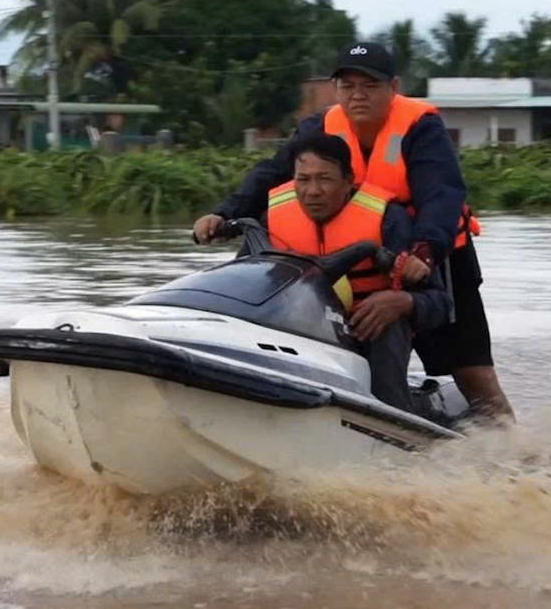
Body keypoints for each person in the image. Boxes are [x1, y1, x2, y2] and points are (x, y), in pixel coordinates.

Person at [194, 41, 516, 425]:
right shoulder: (319, 127)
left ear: (393, 87)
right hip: (350, 255)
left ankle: (513, 450)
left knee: (472, 373)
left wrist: (424, 252)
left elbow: (442, 195)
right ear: (336, 89)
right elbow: (273, 172)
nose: (357, 95)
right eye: (347, 86)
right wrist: (223, 213)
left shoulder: (421, 127)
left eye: (370, 85)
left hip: (431, 253)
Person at [266, 134, 450, 413]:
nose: (312, 191)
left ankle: (394, 419)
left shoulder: (389, 220)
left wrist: (402, 302)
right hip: (299, 336)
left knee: (387, 322)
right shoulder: (271, 220)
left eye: (324, 179)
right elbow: (245, 279)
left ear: (348, 180)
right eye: (303, 180)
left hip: (368, 334)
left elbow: (440, 303)